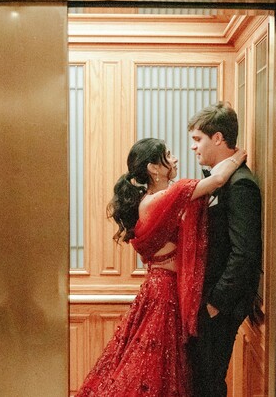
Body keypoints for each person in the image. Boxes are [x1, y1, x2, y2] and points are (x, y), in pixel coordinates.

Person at [76, 137, 247, 397]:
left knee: (158, 364)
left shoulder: (160, 197)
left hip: (160, 288)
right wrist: (236, 157)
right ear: (154, 168)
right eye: (168, 155)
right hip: (164, 292)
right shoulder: (160, 199)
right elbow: (218, 180)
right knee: (155, 366)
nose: (175, 159)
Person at [186, 102, 263, 397]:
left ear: (217, 138)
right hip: (205, 299)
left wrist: (215, 303)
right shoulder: (220, 179)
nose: (193, 147)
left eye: (198, 139)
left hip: (219, 304)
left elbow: (245, 252)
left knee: (209, 384)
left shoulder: (241, 184)